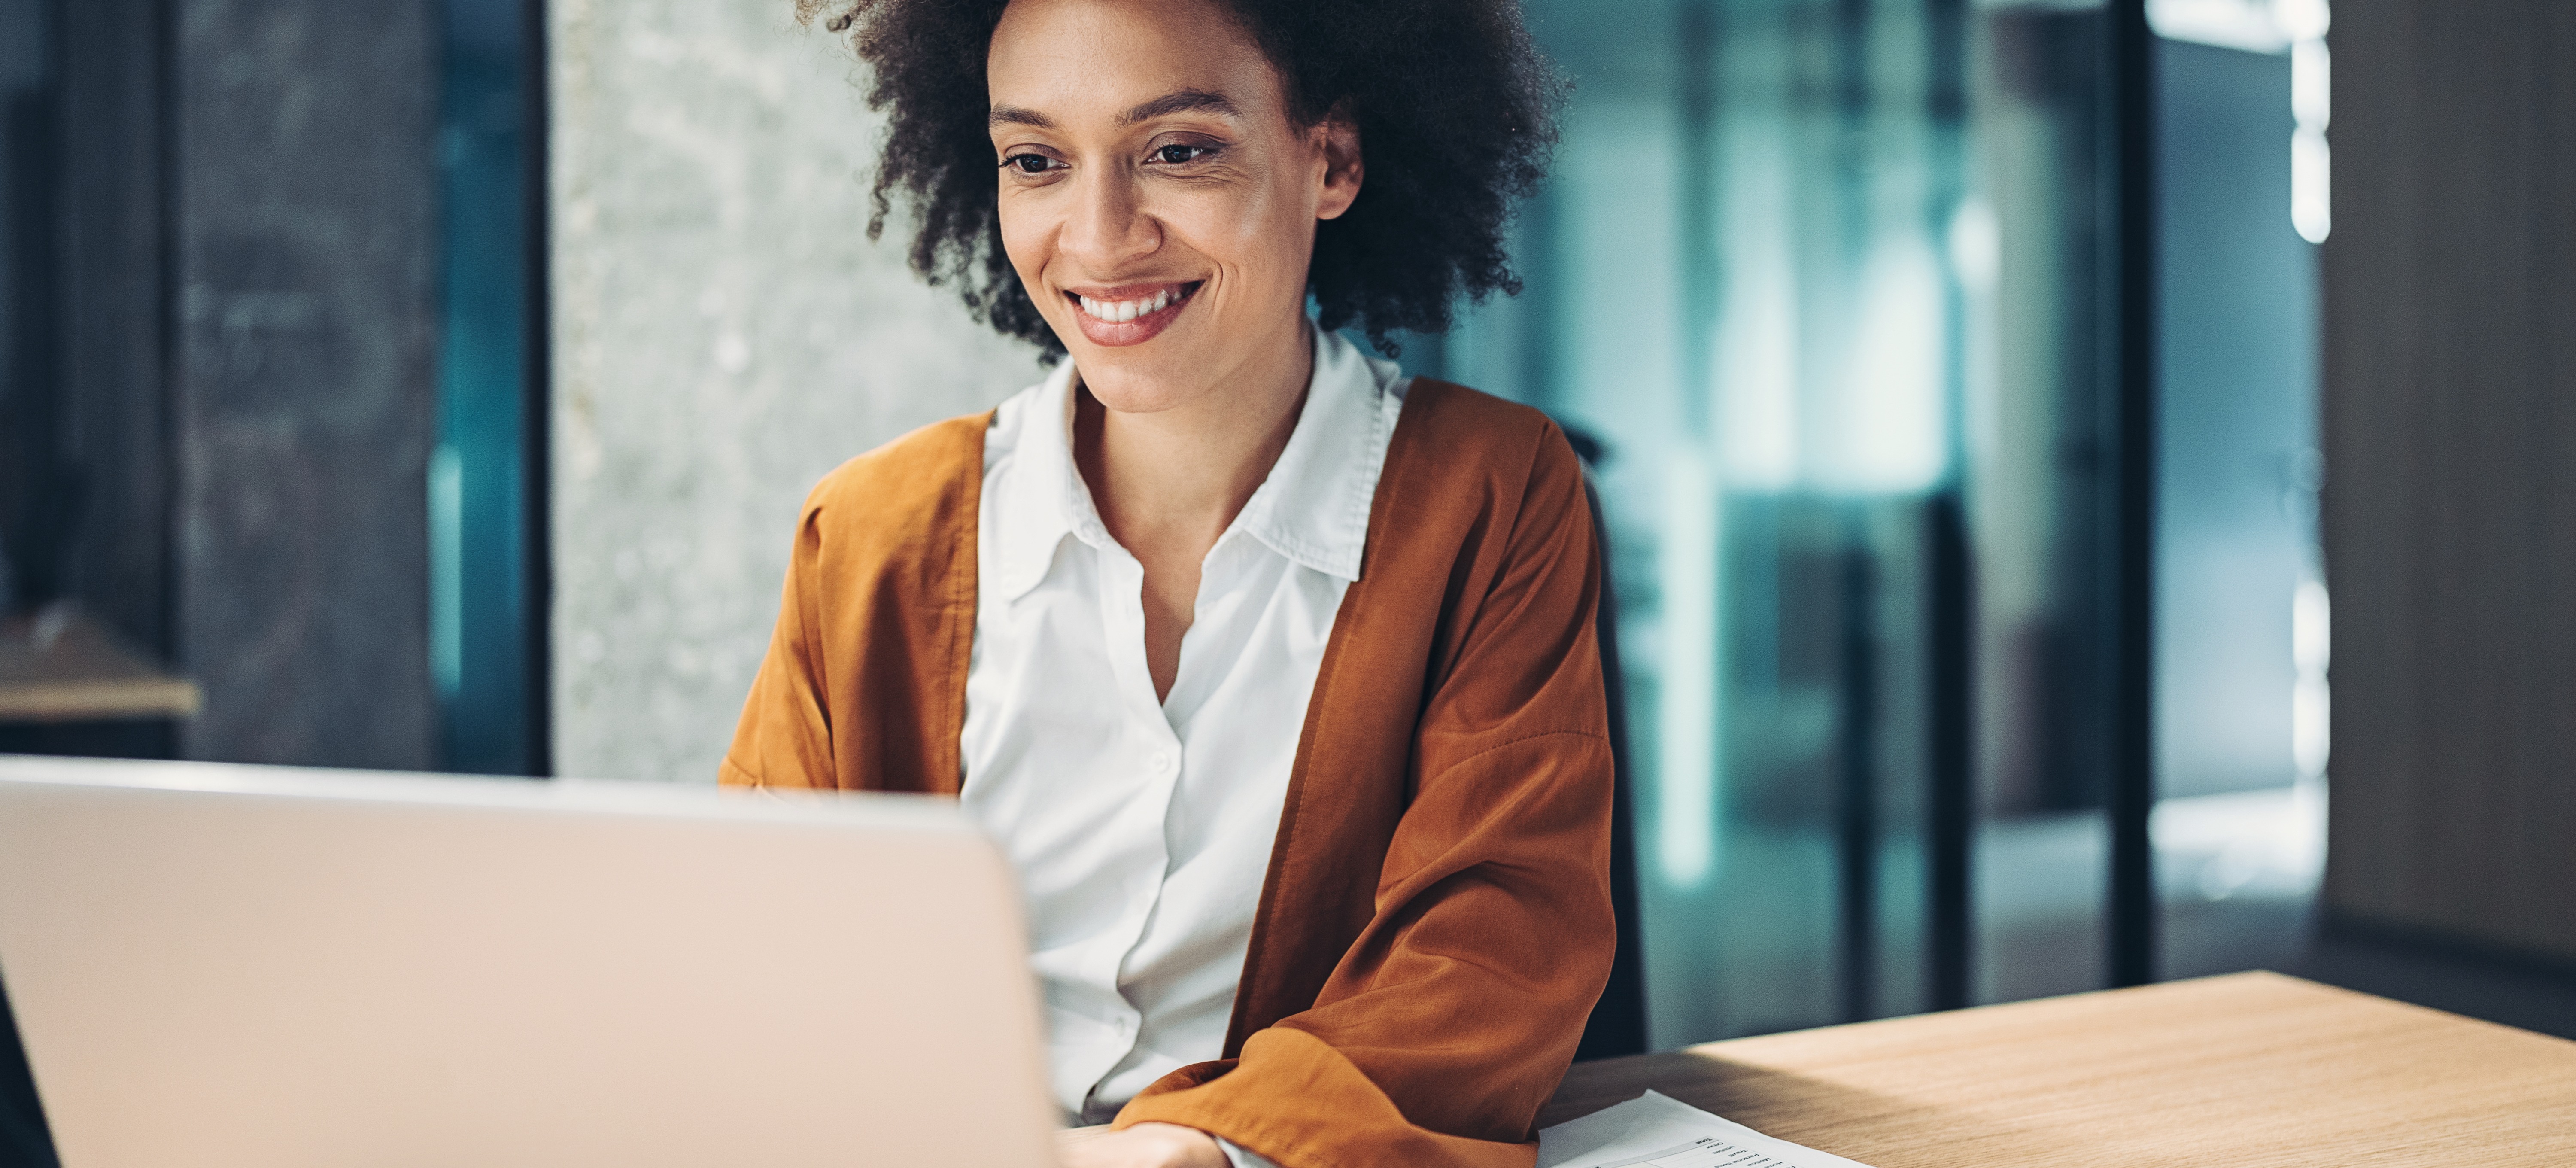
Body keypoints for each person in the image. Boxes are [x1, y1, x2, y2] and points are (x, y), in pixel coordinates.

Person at [725, 0, 1612, 1164]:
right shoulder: (875, 535)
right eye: (1036, 161)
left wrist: (1206, 1146)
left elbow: (1491, 953)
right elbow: (751, 953)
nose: (1097, 238)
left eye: (1178, 151)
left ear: (1331, 160)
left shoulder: (1488, 497)